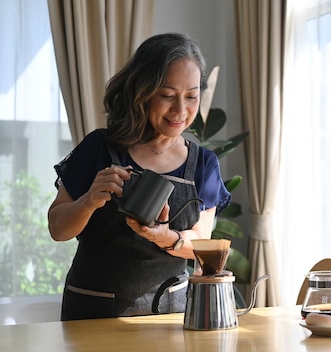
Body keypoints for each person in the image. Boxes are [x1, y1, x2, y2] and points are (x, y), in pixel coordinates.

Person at [47, 33, 231, 320]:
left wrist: (163, 237)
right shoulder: (100, 147)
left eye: (192, 96)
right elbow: (57, 229)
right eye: (167, 96)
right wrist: (89, 201)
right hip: (91, 310)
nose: (181, 110)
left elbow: (200, 243)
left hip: (168, 313)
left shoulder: (204, 164)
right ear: (142, 92)